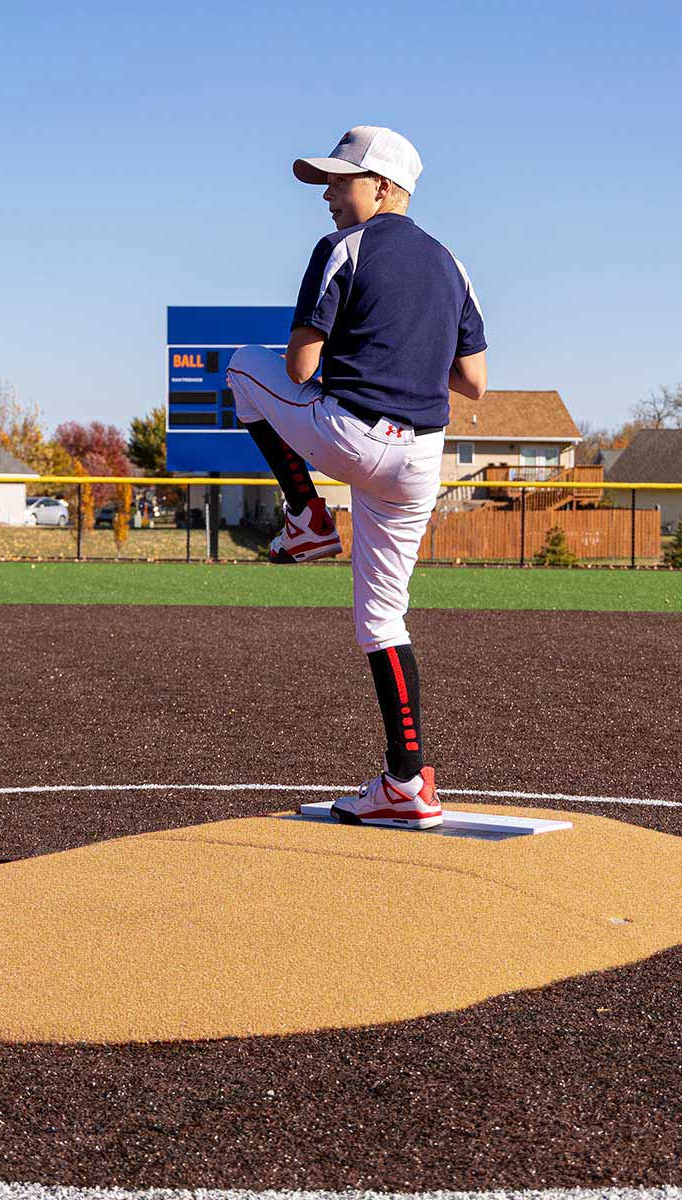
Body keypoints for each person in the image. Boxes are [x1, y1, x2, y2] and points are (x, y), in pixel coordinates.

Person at [224, 125, 487, 830]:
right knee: (381, 617)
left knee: (240, 369)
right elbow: (474, 383)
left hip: (353, 437)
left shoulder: (344, 248)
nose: (330, 196)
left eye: (341, 181)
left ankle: (306, 516)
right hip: (421, 460)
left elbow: (300, 369)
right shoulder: (452, 263)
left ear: (384, 186)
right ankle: (407, 783)